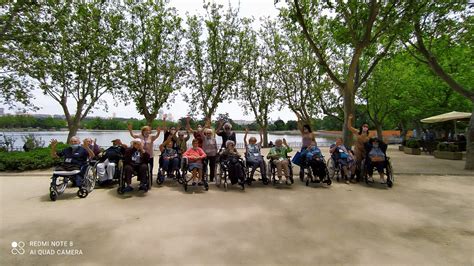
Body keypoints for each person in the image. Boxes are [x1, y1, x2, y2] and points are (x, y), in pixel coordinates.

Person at [347, 114, 372, 181]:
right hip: (357, 149)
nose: (365, 127)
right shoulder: (357, 132)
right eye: (364, 126)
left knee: (366, 162)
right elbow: (349, 127)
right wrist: (349, 119)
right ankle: (357, 175)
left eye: (367, 127)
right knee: (358, 162)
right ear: (362, 127)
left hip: (365, 150)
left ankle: (364, 174)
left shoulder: (369, 135)